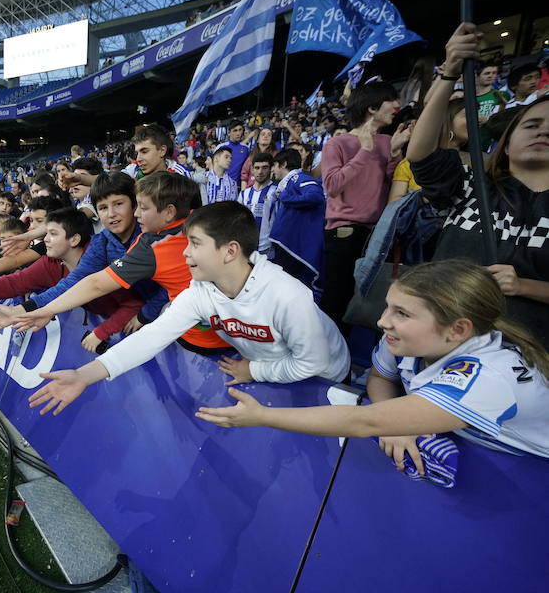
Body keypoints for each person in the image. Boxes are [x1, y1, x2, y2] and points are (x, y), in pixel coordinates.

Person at [194, 261, 549, 467]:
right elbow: (380, 377)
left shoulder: (490, 377)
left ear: (458, 329)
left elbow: (363, 421)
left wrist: (263, 416)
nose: (383, 322)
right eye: (388, 307)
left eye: (402, 313)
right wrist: (399, 417)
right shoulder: (411, 337)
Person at [27, 201, 350, 416]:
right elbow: (152, 336)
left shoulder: (289, 297)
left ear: (230, 251)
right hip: (277, 369)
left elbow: (313, 363)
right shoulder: (201, 293)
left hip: (327, 380)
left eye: (194, 244)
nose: (185, 254)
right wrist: (84, 375)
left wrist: (254, 370)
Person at [408, 22, 549, 348]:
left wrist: (524, 286)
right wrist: (451, 72)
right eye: (532, 124)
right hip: (447, 345)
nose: (543, 132)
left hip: (532, 356)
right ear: (507, 142)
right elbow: (421, 153)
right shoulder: (470, 185)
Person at [3, 172, 230, 354]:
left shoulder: (152, 244)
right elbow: (76, 281)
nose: (111, 214)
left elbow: (96, 285)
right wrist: (29, 308)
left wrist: (145, 314)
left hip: (202, 334)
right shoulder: (195, 222)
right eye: (102, 208)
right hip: (224, 329)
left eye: (122, 204)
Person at [0, 208, 144, 353]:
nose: (46, 240)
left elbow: (135, 304)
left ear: (74, 239)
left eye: (53, 234)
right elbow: (16, 282)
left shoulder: (102, 261)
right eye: (46, 234)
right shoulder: (52, 262)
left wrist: (103, 331)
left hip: (139, 334)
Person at [320, 81, 411, 335]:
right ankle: (331, 367)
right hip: (344, 233)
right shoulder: (337, 144)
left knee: (376, 306)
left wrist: (394, 153)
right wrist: (364, 152)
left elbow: (394, 183)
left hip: (379, 235)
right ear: (372, 108)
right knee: (336, 304)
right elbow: (333, 185)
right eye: (391, 100)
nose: (397, 106)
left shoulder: (388, 141)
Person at [267, 149, 327, 299]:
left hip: (293, 247)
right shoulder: (288, 182)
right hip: (288, 244)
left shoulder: (297, 178)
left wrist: (285, 197)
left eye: (274, 165)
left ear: (284, 164)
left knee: (287, 289)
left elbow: (315, 196)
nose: (272, 170)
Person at [237, 153, 275, 229]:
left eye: (264, 168)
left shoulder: (276, 192)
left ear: (271, 169)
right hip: (247, 239)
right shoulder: (244, 194)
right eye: (257, 168)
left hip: (267, 240)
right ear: (252, 169)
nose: (260, 172)